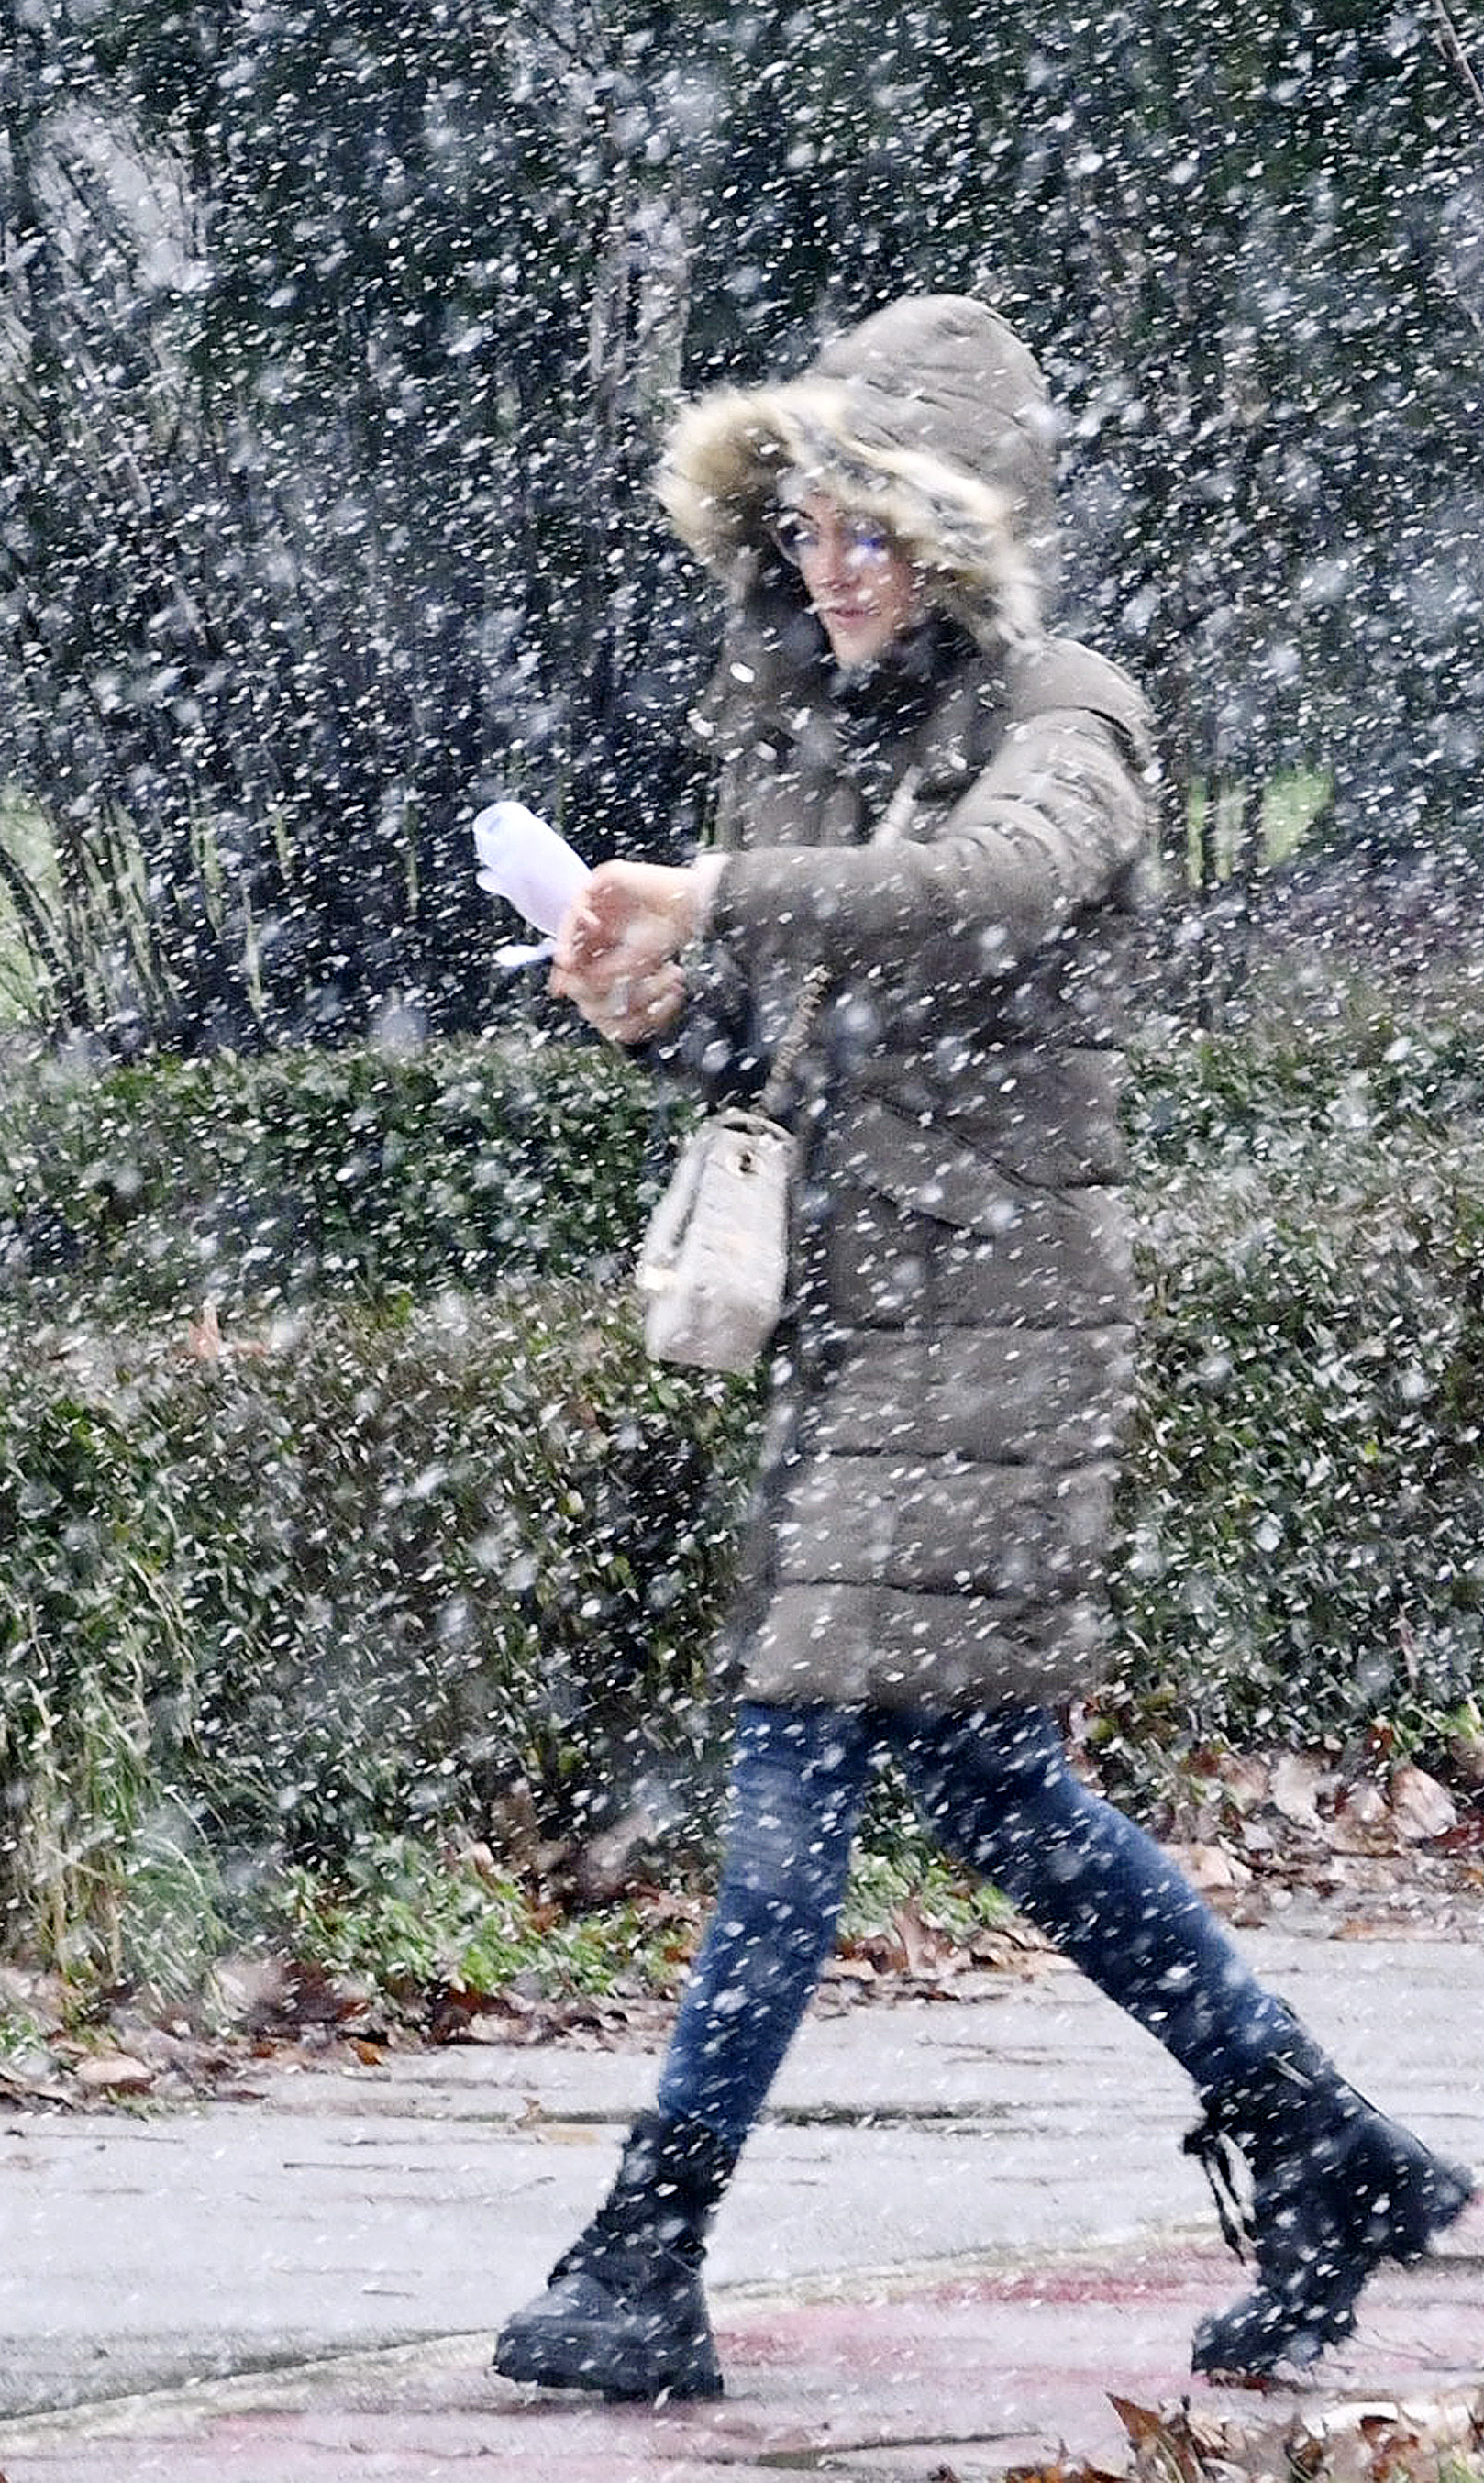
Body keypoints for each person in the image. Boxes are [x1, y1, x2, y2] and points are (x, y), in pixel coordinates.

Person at [497, 294, 1473, 2401]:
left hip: (997, 1334)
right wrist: (665, 1013)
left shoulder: (1068, 712)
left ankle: (644, 2247)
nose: (832, 566)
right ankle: (1316, 2144)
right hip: (853, 1334)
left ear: (963, 548)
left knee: (795, 1750)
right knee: (996, 1790)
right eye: (809, 524)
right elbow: (799, 1035)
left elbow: (989, 881)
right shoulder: (794, 730)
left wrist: (723, 887)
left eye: (878, 533)